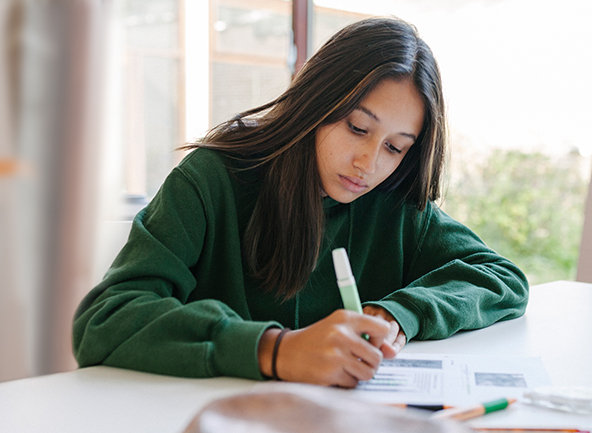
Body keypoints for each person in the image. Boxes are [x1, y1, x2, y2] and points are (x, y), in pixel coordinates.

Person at [72, 17, 528, 388]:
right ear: (317, 103)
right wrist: (275, 350)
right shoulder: (213, 180)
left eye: (395, 147)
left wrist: (398, 314)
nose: (369, 163)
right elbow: (105, 321)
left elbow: (502, 277)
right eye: (357, 127)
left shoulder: (396, 205)